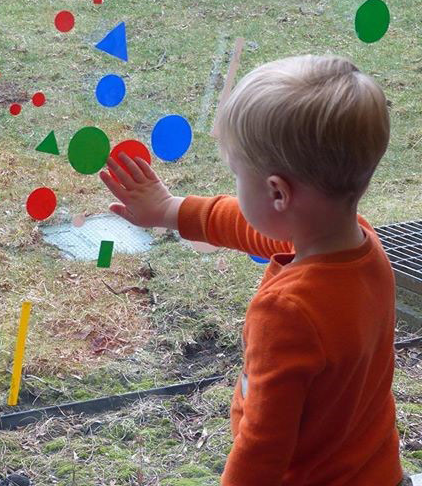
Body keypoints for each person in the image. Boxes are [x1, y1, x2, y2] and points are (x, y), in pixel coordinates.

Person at [99, 54, 409, 486]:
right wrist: (172, 210)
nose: (234, 187)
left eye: (236, 175)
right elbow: (259, 230)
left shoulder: (288, 313)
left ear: (278, 193)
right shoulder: (362, 247)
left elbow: (263, 446)